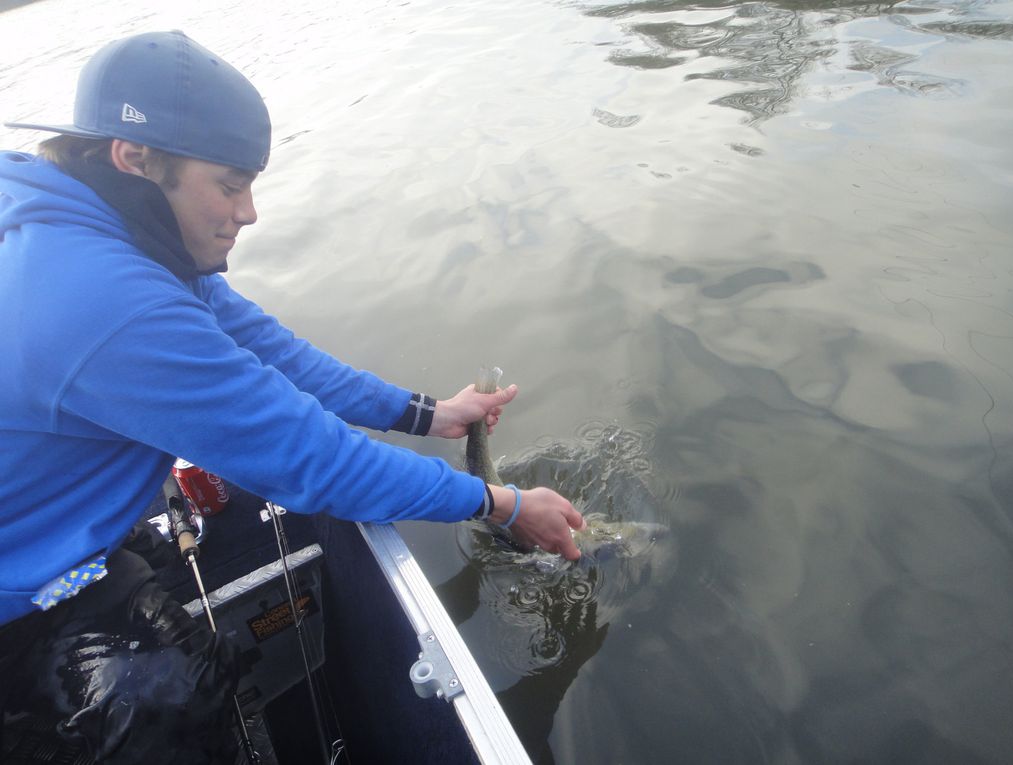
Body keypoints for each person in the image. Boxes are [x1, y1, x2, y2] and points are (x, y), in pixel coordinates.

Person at [0, 30, 584, 763]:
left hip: (46, 535)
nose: (249, 213)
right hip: (15, 603)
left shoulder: (98, 226)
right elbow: (315, 463)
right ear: (135, 159)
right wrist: (502, 505)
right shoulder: (103, 297)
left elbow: (269, 349)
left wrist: (431, 414)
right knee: (173, 695)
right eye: (229, 184)